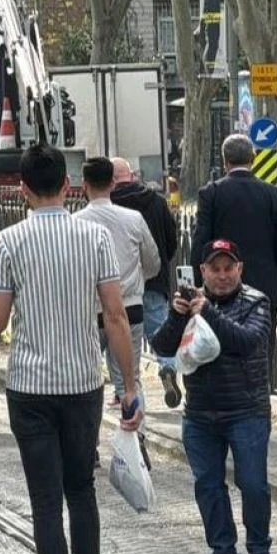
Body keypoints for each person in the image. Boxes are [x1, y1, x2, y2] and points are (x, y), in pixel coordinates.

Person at [0, 144, 141, 554]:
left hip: (30, 386)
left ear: (21, 188)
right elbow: (115, 316)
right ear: (68, 187)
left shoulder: (9, 242)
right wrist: (129, 386)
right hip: (84, 382)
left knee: (45, 501)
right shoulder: (95, 236)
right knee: (81, 491)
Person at [150, 239, 274, 554]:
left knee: (253, 484)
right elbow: (161, 345)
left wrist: (207, 312)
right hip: (201, 413)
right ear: (202, 271)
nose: (222, 276)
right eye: (214, 269)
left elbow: (245, 342)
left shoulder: (255, 302)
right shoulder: (190, 303)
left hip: (246, 410)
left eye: (228, 268)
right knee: (207, 483)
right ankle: (223, 552)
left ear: (239, 269)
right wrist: (177, 316)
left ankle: (260, 551)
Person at [191, 134, 277, 378]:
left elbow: (201, 242)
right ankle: (262, 393)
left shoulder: (211, 194)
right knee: (261, 349)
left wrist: (198, 281)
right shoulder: (273, 195)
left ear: (224, 161)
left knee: (222, 343)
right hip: (265, 284)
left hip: (221, 283)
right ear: (253, 159)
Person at [75, 157, 159, 406]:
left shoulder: (76, 223)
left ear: (84, 185)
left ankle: (86, 439)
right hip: (130, 307)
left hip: (90, 311)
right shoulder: (134, 219)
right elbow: (153, 262)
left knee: (84, 378)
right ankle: (137, 435)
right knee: (129, 380)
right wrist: (135, 280)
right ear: (113, 184)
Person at [110, 157, 182, 407]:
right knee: (159, 331)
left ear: (111, 179)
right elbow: (171, 240)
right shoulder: (157, 202)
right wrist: (159, 265)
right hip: (154, 280)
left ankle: (126, 388)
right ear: (131, 175)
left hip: (118, 285)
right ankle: (168, 367)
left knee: (123, 336)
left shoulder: (107, 205)